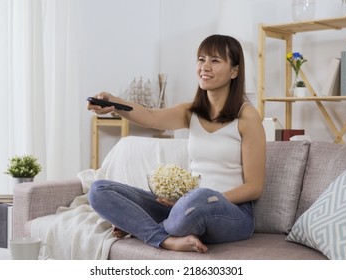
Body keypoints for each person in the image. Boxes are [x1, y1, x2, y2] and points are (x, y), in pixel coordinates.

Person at [87, 34, 266, 253]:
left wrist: (195, 201)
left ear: (234, 71)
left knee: (199, 196)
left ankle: (140, 226)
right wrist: (114, 103)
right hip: (186, 208)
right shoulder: (190, 111)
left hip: (232, 214)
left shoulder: (247, 116)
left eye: (215, 60)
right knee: (99, 190)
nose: (205, 66)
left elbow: (254, 187)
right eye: (201, 59)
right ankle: (166, 239)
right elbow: (151, 116)